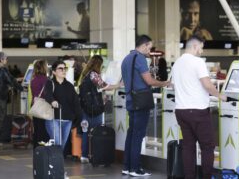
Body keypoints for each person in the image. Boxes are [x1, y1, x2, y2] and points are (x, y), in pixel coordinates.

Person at [171, 36, 227, 179]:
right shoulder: (198, 62)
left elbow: (173, 84)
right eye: (201, 47)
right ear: (195, 46)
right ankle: (206, 176)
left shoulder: (177, 63)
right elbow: (207, 85)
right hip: (197, 111)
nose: (202, 51)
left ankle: (189, 176)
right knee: (207, 146)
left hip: (181, 111)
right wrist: (220, 95)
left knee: (188, 146)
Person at [121, 35, 169, 177]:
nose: (150, 50)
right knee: (138, 135)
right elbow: (149, 81)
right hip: (141, 101)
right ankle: (135, 168)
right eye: (149, 47)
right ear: (144, 45)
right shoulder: (140, 58)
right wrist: (164, 83)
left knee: (131, 134)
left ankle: (127, 166)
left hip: (131, 100)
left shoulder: (126, 58)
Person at [78, 55, 120, 163]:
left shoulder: (85, 74)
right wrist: (118, 85)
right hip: (93, 109)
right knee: (95, 132)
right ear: (98, 64)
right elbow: (104, 86)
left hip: (85, 108)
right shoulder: (93, 74)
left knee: (85, 132)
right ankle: (95, 154)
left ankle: (84, 155)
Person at [44, 60, 82, 150]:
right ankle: (53, 162)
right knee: (57, 144)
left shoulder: (69, 86)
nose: (63, 70)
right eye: (60, 68)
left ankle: (55, 163)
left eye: (65, 68)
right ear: (54, 72)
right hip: (53, 119)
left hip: (67, 120)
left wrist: (78, 118)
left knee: (61, 147)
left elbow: (75, 102)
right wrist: (52, 101)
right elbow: (48, 95)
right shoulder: (50, 83)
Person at [30, 59, 50, 149]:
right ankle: (43, 148)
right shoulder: (46, 79)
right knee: (44, 129)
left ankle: (36, 147)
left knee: (37, 129)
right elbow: (47, 94)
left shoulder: (33, 79)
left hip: (35, 105)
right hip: (43, 106)